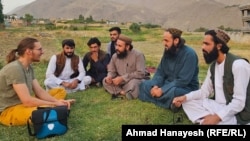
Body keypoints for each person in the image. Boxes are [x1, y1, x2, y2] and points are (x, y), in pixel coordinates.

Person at [172, 29, 250, 125]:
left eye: (207, 44)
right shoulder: (213, 66)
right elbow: (204, 92)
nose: (203, 47)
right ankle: (208, 120)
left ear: (219, 46)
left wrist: (217, 117)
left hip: (237, 114)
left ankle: (208, 121)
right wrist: (185, 97)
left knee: (219, 119)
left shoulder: (238, 65)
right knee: (188, 102)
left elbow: (239, 103)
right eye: (203, 44)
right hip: (218, 107)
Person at [0, 37, 75, 126]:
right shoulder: (15, 69)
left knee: (60, 91)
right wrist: (54, 103)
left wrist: (56, 102)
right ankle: (55, 107)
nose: (42, 52)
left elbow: (39, 91)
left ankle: (56, 105)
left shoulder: (28, 67)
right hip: (9, 110)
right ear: (29, 51)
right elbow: (27, 101)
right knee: (41, 112)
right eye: (39, 49)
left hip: (24, 103)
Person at [138, 28, 199, 111]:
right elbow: (160, 72)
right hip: (167, 84)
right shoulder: (168, 50)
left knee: (175, 92)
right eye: (163, 40)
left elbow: (183, 81)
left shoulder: (189, 54)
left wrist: (162, 90)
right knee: (144, 84)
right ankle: (170, 103)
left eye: (166, 41)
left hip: (185, 87)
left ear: (176, 40)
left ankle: (167, 101)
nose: (164, 43)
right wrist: (155, 86)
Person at [103, 34, 148, 100]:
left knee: (135, 83)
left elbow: (140, 73)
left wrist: (122, 78)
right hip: (120, 82)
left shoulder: (138, 55)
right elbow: (111, 71)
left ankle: (119, 90)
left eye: (119, 46)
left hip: (134, 79)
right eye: (116, 45)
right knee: (105, 81)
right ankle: (123, 92)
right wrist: (109, 77)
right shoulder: (115, 56)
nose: (116, 48)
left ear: (127, 47)